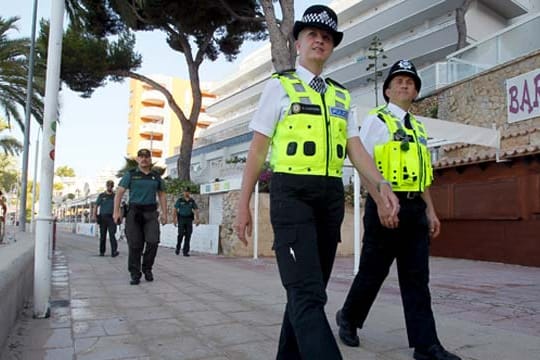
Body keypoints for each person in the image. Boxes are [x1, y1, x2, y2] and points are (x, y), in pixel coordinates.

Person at [234, 5, 399, 359]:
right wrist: (242, 203)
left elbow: (355, 149)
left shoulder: (341, 96)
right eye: (312, 34)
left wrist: (380, 184)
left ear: (332, 46)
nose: (319, 41)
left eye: (326, 37)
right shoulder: (279, 87)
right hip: (290, 194)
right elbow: (258, 150)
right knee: (307, 295)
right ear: (297, 43)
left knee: (306, 293)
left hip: (328, 198)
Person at [335, 60, 461, 360]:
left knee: (417, 278)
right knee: (372, 272)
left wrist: (430, 210)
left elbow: (423, 175)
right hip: (386, 206)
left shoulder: (418, 128)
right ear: (388, 90)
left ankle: (425, 345)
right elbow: (363, 165)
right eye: (399, 81)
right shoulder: (377, 120)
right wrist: (380, 203)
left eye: (410, 82)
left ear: (416, 91)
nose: (405, 85)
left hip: (415, 208)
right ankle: (349, 318)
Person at [113, 148, 167, 285]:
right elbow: (119, 193)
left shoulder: (156, 176)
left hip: (150, 213)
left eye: (146, 157)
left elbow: (162, 194)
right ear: (137, 159)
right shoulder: (130, 175)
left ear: (150, 159)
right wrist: (116, 212)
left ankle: (147, 268)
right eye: (141, 156)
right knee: (135, 244)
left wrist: (165, 213)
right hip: (134, 213)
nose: (144, 159)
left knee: (153, 241)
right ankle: (135, 273)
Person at [93, 180, 119, 257]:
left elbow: (118, 206)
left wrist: (118, 216)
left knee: (112, 235)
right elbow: (96, 205)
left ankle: (114, 251)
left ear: (113, 186)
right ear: (106, 186)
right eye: (108, 186)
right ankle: (102, 251)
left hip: (112, 217)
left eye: (111, 186)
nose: (109, 187)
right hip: (103, 217)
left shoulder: (115, 196)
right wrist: (94, 215)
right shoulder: (101, 195)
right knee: (103, 235)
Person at [173, 187, 200, 256]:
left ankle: (186, 251)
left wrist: (197, 219)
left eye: (187, 192)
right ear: (183, 192)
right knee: (181, 234)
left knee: (188, 235)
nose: (186, 193)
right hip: (181, 219)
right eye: (185, 192)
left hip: (189, 219)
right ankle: (178, 248)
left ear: (189, 192)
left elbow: (196, 209)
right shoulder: (180, 200)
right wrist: (174, 219)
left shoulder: (191, 201)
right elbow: (175, 209)